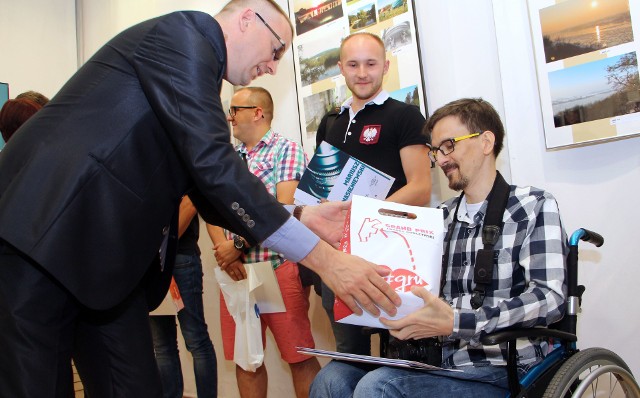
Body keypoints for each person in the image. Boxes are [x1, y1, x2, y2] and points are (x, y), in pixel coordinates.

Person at [0, 1, 401, 396]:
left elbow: (207, 188)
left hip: (102, 264)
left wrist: (301, 214)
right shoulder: (184, 36)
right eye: (276, 49)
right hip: (42, 239)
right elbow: (214, 166)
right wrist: (326, 260)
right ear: (248, 18)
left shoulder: (195, 69)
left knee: (136, 386)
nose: (273, 66)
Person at [310, 98, 568, 397]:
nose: (441, 159)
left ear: (486, 142)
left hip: (505, 369)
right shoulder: (437, 219)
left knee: (377, 387)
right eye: (436, 151)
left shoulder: (533, 206)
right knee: (332, 378)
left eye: (449, 145)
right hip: (437, 364)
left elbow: (550, 298)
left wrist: (456, 322)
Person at [315, 31, 431, 356]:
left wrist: (364, 212)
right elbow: (323, 192)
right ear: (341, 67)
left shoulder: (405, 116)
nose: (362, 73)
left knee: (403, 352)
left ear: (386, 66)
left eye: (371, 63)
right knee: (350, 355)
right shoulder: (330, 122)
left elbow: (421, 189)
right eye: (353, 64)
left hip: (392, 252)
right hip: (339, 256)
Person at [208, 86, 320, 398]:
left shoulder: (287, 151)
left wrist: (238, 246)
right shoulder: (225, 158)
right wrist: (224, 254)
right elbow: (211, 210)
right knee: (246, 361)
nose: (229, 118)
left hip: (276, 266)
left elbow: (281, 209)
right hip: (236, 273)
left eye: (235, 110)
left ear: (257, 113)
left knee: (298, 356)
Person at [149, 196, 217, 398]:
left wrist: (159, 247)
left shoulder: (178, 165)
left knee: (196, 340)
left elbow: (191, 202)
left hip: (179, 257)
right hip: (150, 263)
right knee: (162, 345)